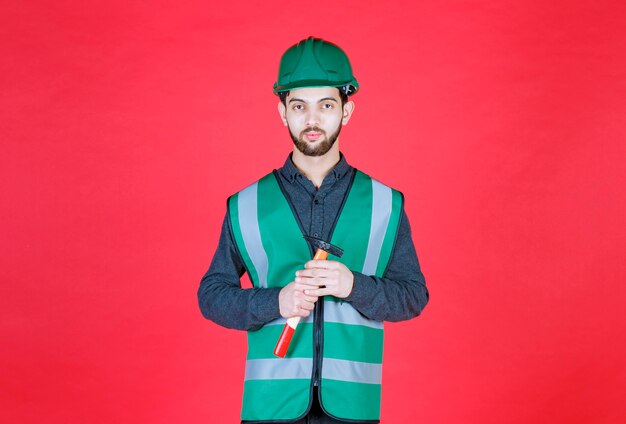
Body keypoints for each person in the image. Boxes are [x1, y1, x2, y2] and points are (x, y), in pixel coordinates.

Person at [197, 36, 429, 423]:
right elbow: (211, 295)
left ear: (346, 111)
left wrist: (355, 286)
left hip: (352, 405)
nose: (312, 120)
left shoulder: (386, 203)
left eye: (325, 105)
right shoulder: (246, 204)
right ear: (282, 113)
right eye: (299, 106)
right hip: (270, 405)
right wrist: (275, 302)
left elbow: (413, 296)